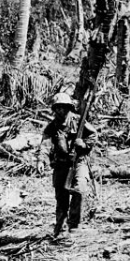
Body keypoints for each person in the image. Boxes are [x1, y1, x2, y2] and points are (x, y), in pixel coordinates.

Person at [43, 93, 96, 238]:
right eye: (58, 108)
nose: (61, 111)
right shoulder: (51, 127)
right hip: (61, 165)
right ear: (54, 109)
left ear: (69, 108)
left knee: (79, 189)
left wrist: (83, 144)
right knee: (61, 197)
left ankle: (74, 225)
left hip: (79, 161)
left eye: (64, 107)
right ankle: (60, 227)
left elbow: (93, 135)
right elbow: (45, 146)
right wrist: (41, 160)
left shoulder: (79, 121)